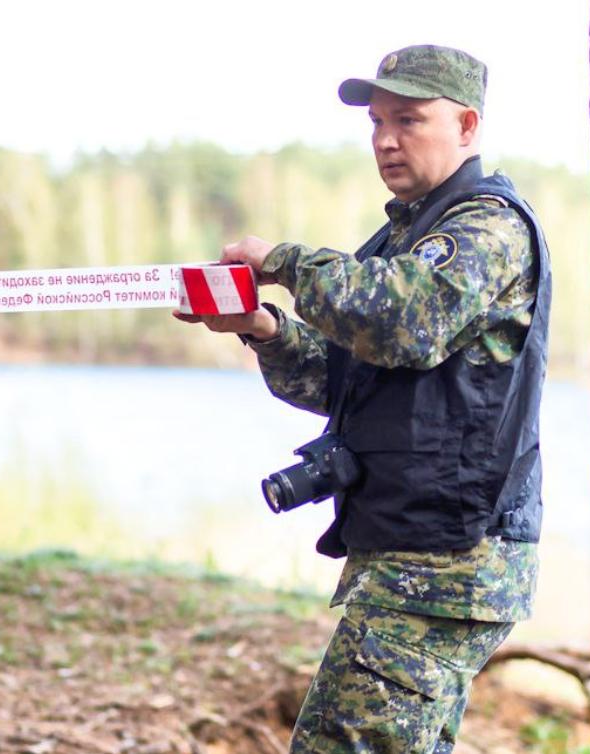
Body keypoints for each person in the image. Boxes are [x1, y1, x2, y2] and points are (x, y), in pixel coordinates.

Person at [175, 44, 551, 754]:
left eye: (408, 119)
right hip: (419, 554)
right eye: (376, 121)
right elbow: (349, 381)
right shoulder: (409, 234)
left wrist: (284, 262)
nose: (384, 139)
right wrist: (263, 328)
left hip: (446, 561)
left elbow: (401, 321)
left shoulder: (487, 229)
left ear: (467, 126)